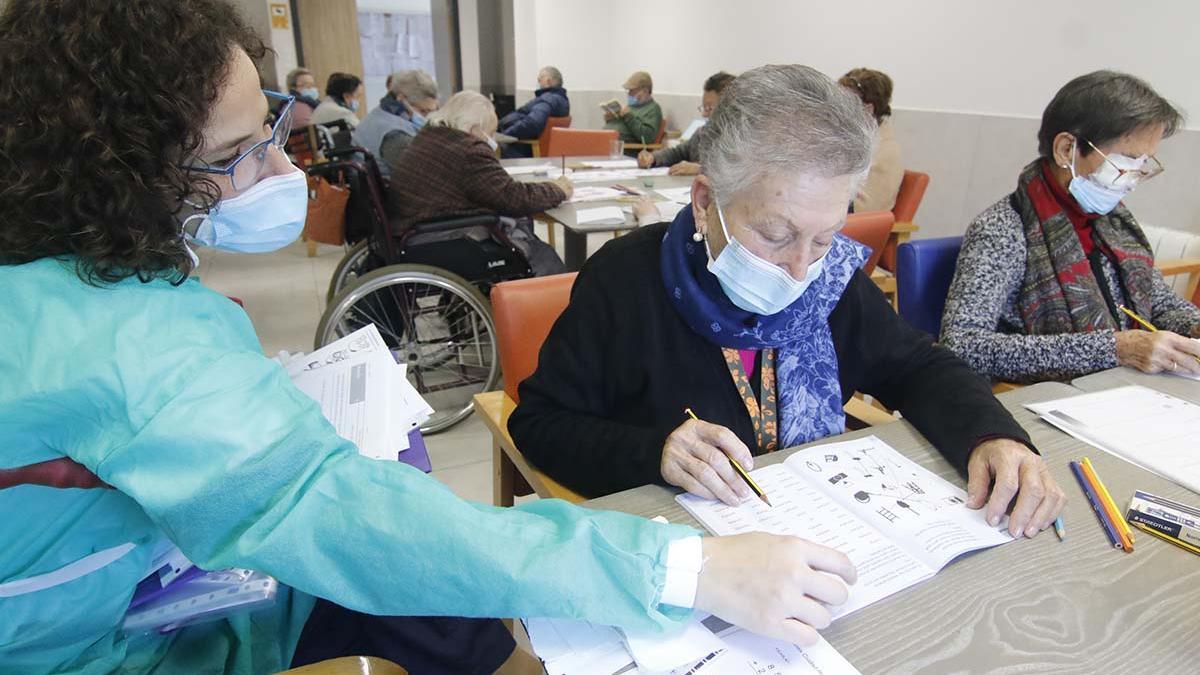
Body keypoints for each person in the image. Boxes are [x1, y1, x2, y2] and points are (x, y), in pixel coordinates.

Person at [2, 5, 875, 668]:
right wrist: (688, 570)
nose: (279, 170)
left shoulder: (57, 279)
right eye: (239, 152)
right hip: (102, 637)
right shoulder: (122, 345)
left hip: (127, 579)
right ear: (128, 171)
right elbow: (337, 515)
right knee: (445, 599)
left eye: (274, 130)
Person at [509, 64, 1065, 541]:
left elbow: (918, 364)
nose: (802, 270)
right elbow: (541, 422)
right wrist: (653, 453)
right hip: (683, 548)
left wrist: (992, 435)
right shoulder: (627, 279)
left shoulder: (831, 278)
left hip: (816, 532)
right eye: (775, 235)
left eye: (823, 238)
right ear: (706, 202)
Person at [941, 71, 1200, 384]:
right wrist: (1115, 348)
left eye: (1144, 162)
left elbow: (1157, 303)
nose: (1132, 180)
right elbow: (963, 346)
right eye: (1127, 161)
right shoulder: (1002, 229)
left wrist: (1193, 327)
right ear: (1066, 149)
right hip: (1051, 401)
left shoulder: (1114, 224)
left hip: (1123, 389)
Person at [388, 91, 571, 276]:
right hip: (443, 237)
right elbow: (513, 198)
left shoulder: (430, 136)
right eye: (490, 133)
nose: (491, 141)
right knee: (544, 255)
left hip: (415, 231)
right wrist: (557, 189)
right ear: (475, 129)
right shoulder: (468, 150)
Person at [637, 71, 735, 176]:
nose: (704, 114)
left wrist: (701, 169)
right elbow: (679, 152)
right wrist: (653, 158)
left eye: (709, 108)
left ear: (730, 107)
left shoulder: (744, 139)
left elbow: (737, 173)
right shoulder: (703, 132)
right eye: (704, 108)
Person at [352, 69, 440, 178]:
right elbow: (421, 174)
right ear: (401, 99)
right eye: (422, 111)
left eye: (430, 112)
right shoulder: (394, 134)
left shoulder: (379, 114)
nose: (425, 118)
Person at [839, 68, 903, 212]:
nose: (837, 108)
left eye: (844, 102)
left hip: (856, 225)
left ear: (868, 109)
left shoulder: (884, 149)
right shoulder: (857, 138)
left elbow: (862, 209)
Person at [498, 66, 570, 158]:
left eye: (539, 79)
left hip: (524, 148)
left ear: (548, 81)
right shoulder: (561, 100)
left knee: (489, 148)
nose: (538, 82)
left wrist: (506, 135)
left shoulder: (548, 100)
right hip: (525, 142)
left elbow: (532, 123)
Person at [605, 70, 663, 145]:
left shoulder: (653, 109)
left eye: (632, 91)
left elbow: (647, 137)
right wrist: (611, 120)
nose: (629, 94)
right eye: (628, 91)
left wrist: (628, 116)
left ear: (645, 91)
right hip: (609, 143)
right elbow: (622, 126)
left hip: (625, 150)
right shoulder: (632, 106)